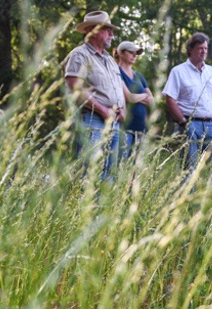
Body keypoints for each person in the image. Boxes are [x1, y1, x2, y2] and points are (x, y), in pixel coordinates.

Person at [62, 11, 149, 182]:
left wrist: (122, 109)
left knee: (109, 173)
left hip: (115, 122)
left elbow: (118, 88)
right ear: (92, 31)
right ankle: (83, 208)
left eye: (112, 30)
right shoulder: (80, 55)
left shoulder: (110, 60)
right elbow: (75, 89)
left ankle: (102, 208)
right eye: (107, 29)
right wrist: (102, 110)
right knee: (88, 172)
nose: (111, 34)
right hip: (92, 120)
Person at [162, 32, 212, 169]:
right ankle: (188, 191)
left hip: (211, 126)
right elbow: (170, 99)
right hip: (190, 124)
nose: (204, 52)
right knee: (189, 168)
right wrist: (183, 122)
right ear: (190, 49)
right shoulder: (178, 71)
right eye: (200, 48)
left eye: (206, 48)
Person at [114, 40, 154, 158]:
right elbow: (128, 97)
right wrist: (144, 96)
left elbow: (152, 100)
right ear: (121, 53)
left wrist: (138, 98)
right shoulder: (116, 72)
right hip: (126, 127)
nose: (134, 55)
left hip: (142, 127)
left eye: (136, 53)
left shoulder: (139, 76)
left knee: (137, 168)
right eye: (131, 52)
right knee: (122, 165)